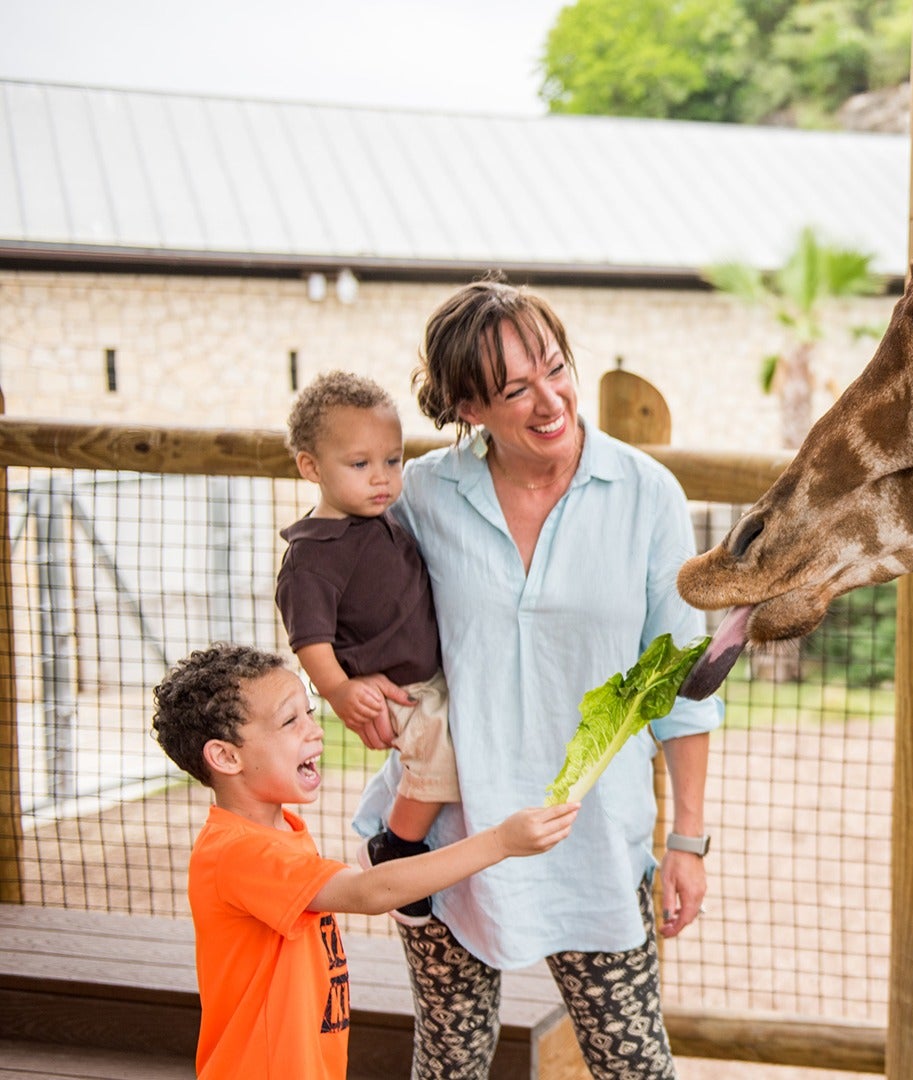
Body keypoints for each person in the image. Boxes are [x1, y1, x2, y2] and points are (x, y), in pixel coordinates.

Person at [345, 278, 722, 1078]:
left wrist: (687, 840)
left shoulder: (645, 494)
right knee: (447, 1064)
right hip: (449, 840)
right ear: (468, 408)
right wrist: (355, 687)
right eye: (515, 389)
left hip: (594, 843)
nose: (550, 399)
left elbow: (681, 686)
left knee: (633, 1066)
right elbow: (355, 602)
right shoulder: (422, 496)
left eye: (555, 368)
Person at [150, 643, 578, 1080]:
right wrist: (499, 842)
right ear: (226, 756)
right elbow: (368, 891)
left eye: (309, 712)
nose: (314, 731)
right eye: (289, 720)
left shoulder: (280, 831)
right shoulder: (238, 853)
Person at [277, 370, 453, 924]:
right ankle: (394, 848)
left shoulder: (380, 518)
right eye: (360, 465)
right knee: (441, 756)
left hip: (430, 675)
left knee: (449, 751)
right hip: (397, 690)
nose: (381, 478)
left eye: (392, 461)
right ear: (311, 467)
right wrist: (338, 690)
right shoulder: (313, 555)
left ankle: (396, 825)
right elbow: (310, 637)